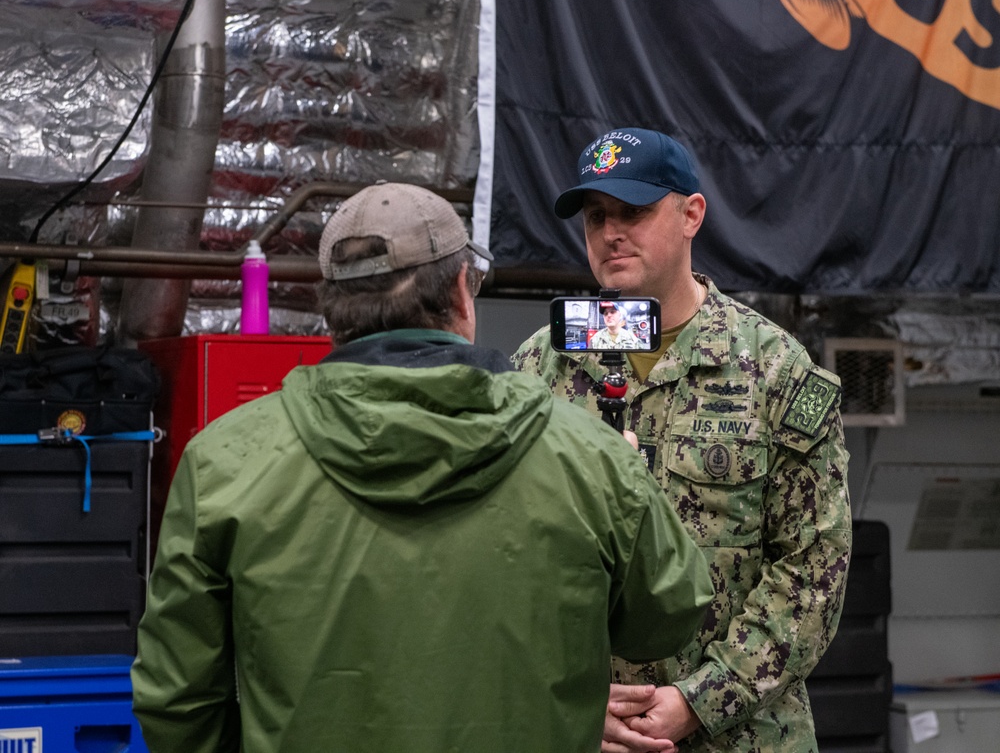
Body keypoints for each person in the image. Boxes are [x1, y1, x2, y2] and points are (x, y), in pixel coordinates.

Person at [131, 181, 713, 753]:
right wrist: (634, 489)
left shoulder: (225, 461)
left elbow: (177, 704)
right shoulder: (592, 457)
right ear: (463, 292)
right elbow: (666, 619)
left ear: (331, 309)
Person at [512, 128, 853, 752]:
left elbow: (814, 570)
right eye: (595, 216)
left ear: (691, 213)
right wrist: (569, 694)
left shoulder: (773, 369)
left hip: (741, 734)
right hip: (586, 730)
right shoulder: (540, 370)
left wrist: (703, 699)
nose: (611, 231)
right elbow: (502, 557)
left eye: (634, 211)